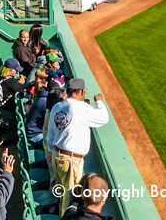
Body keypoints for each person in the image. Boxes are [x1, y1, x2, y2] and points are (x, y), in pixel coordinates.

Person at [47, 78, 109, 214]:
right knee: (70, 198)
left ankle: (59, 213)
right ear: (81, 91)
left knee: (63, 193)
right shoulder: (81, 108)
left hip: (57, 156)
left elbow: (50, 135)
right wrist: (99, 102)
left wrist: (55, 152)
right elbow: (104, 118)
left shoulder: (57, 106)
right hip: (71, 160)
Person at [0, 59, 25, 146]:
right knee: (18, 132)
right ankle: (3, 139)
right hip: (8, 112)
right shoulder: (11, 81)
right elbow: (21, 94)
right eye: (15, 70)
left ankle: (0, 138)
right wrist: (20, 84)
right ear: (9, 70)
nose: (17, 72)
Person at [43, 88, 67, 179]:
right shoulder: (54, 116)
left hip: (49, 151)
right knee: (55, 181)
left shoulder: (51, 111)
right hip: (52, 154)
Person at [24, 69, 51, 145]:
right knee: (54, 145)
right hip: (34, 135)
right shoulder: (44, 101)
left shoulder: (41, 97)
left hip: (32, 131)